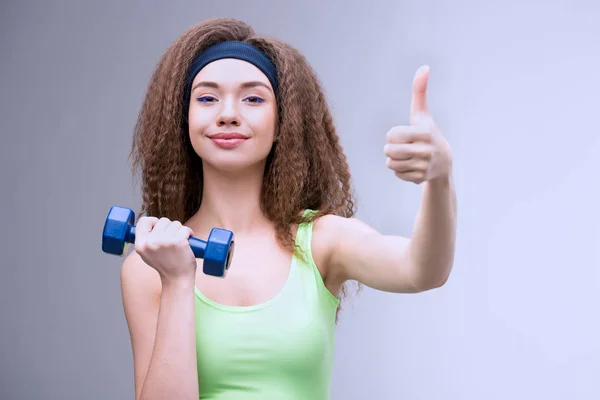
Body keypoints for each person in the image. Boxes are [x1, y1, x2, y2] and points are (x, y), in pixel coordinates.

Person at [120, 17, 457, 400]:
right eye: (207, 97)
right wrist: (179, 281)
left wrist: (440, 179)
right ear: (184, 119)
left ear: (283, 122)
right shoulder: (149, 265)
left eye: (253, 98)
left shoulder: (322, 241)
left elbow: (423, 270)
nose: (228, 113)